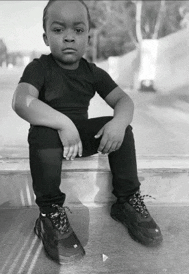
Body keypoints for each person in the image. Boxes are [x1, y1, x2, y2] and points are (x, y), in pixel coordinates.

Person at [12, 0, 163, 264]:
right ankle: (49, 214)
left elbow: (124, 101)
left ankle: (127, 201)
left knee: (123, 128)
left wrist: (117, 124)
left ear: (88, 38)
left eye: (78, 30)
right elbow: (22, 101)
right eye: (59, 30)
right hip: (50, 143)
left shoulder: (92, 72)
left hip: (80, 139)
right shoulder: (39, 68)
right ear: (46, 37)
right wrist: (62, 123)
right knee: (41, 132)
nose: (69, 36)